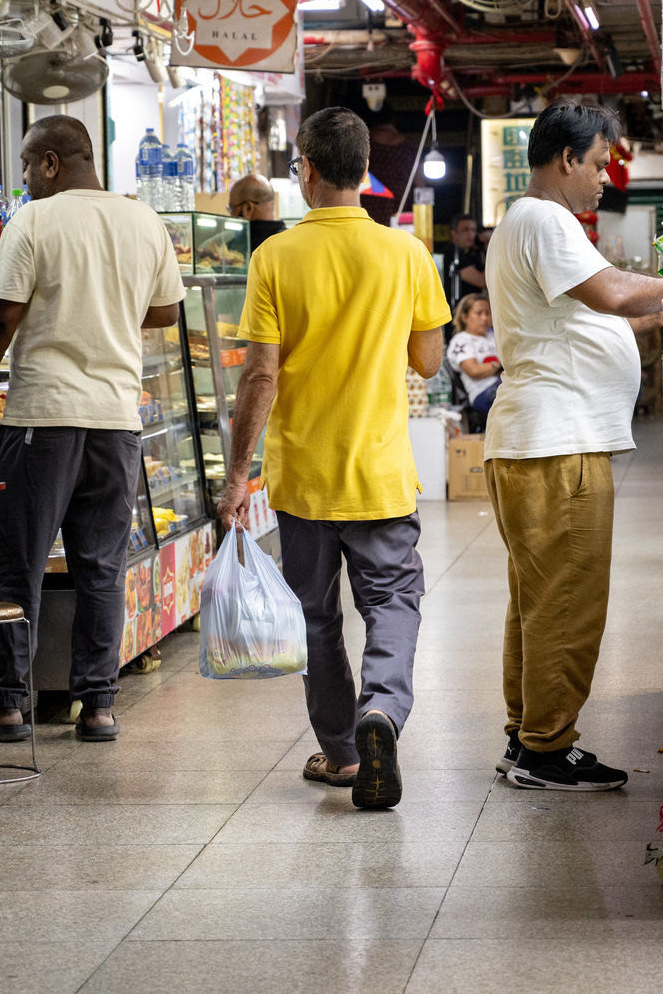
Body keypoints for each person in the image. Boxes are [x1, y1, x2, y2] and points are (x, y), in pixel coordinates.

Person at [220, 107, 450, 811]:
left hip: (303, 479)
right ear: (365, 171)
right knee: (392, 603)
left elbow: (261, 375)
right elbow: (429, 361)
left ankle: (345, 753)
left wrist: (237, 475)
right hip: (380, 474)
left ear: (309, 170)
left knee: (315, 619)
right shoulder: (406, 253)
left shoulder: (275, 256)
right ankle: (382, 709)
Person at [0, 116, 184, 744]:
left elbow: (2, 317)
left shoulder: (35, 220)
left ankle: (6, 706)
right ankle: (99, 706)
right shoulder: (144, 220)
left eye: (27, 165)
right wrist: (110, 304)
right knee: (102, 569)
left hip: (43, 418)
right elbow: (167, 310)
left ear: (52, 162)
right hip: (117, 423)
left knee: (18, 567)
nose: (25, 177)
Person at [482, 102, 663, 792]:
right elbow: (613, 294)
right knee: (569, 601)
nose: (604, 178)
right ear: (566, 159)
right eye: (597, 164)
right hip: (557, 444)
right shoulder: (545, 218)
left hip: (538, 439)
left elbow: (595, 315)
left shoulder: (526, 222)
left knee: (540, 601)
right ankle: (547, 748)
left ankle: (526, 735)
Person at [446, 294, 500, 426]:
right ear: (464, 317)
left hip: (503, 385)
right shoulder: (461, 340)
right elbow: (474, 370)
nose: (484, 318)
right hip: (482, 393)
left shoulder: (495, 336)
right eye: (479, 313)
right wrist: (501, 365)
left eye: (488, 313)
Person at [227, 173, 287, 253]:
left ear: (248, 208)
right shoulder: (286, 240)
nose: (231, 214)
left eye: (232, 208)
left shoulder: (243, 246)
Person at [445, 213, 486, 304]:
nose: (470, 234)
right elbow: (483, 281)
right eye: (465, 230)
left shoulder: (470, 254)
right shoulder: (453, 253)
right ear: (454, 233)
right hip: (458, 309)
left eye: (473, 230)